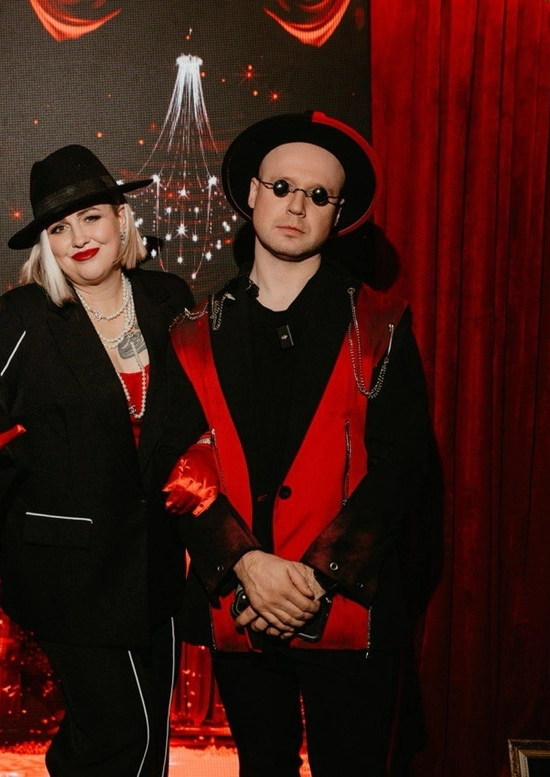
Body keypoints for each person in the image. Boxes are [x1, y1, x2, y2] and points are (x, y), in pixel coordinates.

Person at [0, 144, 258, 776]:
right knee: (123, 737)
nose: (79, 238)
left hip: (156, 566)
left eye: (90, 217)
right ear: (45, 246)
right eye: (59, 228)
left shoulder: (167, 299)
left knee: (143, 744)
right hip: (69, 574)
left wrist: (203, 456)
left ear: (120, 218)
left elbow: (199, 411)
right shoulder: (25, 315)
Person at [170, 112, 431, 775]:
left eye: (318, 195)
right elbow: (176, 464)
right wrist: (246, 564)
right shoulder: (193, 332)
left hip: (347, 610)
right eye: (283, 186)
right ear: (251, 193)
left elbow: (403, 468)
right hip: (242, 607)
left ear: (337, 213)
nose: (296, 205)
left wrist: (313, 578)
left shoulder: (381, 325)